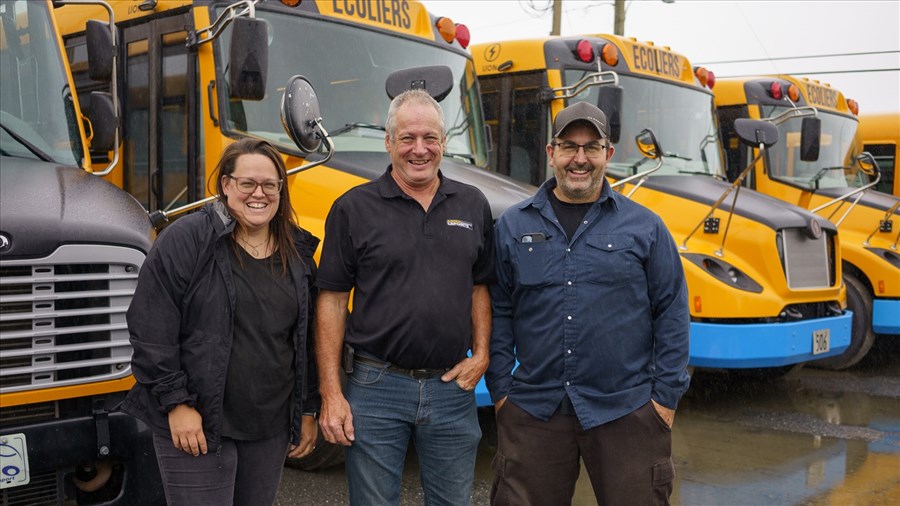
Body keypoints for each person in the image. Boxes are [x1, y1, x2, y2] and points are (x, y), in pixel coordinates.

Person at [486, 101, 691, 506]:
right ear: (551, 153)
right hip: (533, 410)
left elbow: (672, 311)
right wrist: (501, 391)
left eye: (591, 147)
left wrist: (664, 399)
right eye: (568, 146)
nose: (579, 159)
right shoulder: (513, 225)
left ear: (607, 154)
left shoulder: (645, 227)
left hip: (626, 411)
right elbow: (499, 309)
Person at [315, 89, 494, 506]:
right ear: (389, 142)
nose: (420, 149)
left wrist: (482, 353)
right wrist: (331, 393)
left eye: (430, 138)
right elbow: (332, 302)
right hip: (376, 385)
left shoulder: (472, 205)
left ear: (444, 142)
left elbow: (480, 285)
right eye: (408, 138)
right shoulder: (353, 208)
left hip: (453, 388)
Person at [121, 138, 320, 505]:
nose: (258, 194)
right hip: (198, 422)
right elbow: (151, 326)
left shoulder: (298, 252)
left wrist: (308, 409)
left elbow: (305, 340)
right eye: (247, 183)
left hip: (268, 427)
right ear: (226, 185)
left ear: (281, 189)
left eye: (270, 185)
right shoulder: (188, 238)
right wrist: (176, 404)